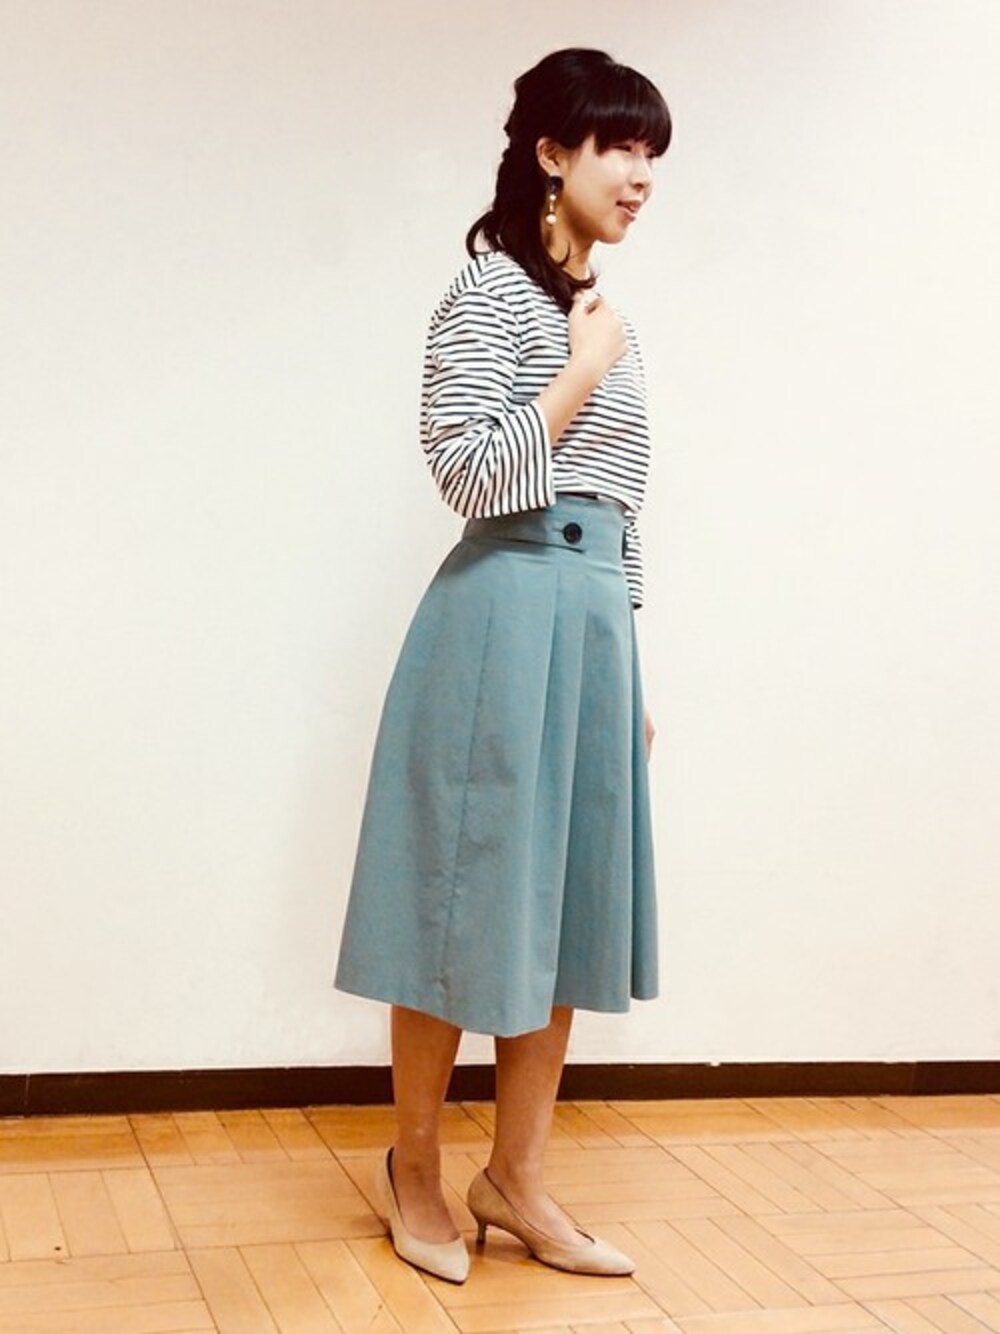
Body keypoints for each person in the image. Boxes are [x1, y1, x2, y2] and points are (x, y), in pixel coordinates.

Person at [333, 46, 672, 1284]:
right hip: (499, 616)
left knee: (565, 906)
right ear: (549, 153)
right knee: (456, 897)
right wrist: (580, 371)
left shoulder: (604, 316)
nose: (640, 175)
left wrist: (630, 665)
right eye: (617, 146)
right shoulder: (488, 296)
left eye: (651, 153)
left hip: (589, 629)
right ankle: (417, 1166)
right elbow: (470, 471)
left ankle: (516, 1177)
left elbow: (618, 502)